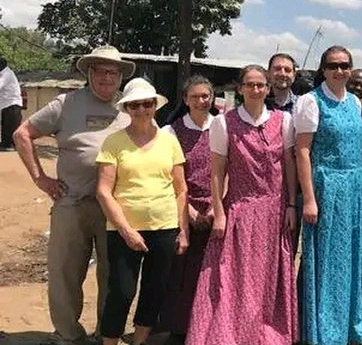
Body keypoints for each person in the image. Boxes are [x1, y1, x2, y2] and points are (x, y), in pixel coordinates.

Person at [13, 45, 135, 345]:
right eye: (101, 71)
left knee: (113, 276)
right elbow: (22, 134)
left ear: (120, 76)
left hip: (116, 209)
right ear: (89, 72)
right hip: (72, 203)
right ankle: (68, 335)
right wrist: (41, 179)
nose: (108, 77)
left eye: (113, 71)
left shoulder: (129, 108)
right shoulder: (65, 103)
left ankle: (106, 335)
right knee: (65, 274)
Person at [186, 65, 298, 345]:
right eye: (250, 84)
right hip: (240, 208)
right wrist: (220, 212)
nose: (256, 89)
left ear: (268, 88)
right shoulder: (224, 123)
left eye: (261, 84)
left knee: (268, 277)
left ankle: (265, 332)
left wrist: (292, 205)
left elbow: (289, 166)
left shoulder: (283, 121)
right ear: (241, 88)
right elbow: (217, 171)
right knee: (234, 276)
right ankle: (234, 333)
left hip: (275, 209)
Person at [294, 45, 362, 345]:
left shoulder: (356, 102)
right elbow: (302, 152)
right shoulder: (310, 102)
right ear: (323, 68)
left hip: (356, 188)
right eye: (333, 65)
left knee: (358, 256)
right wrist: (309, 198)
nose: (340, 71)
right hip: (327, 187)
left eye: (345, 65)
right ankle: (325, 330)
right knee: (328, 261)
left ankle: (350, 327)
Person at [95, 78, 189, 345]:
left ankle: (139, 341)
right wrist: (126, 230)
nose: (141, 110)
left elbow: (180, 189)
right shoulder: (113, 142)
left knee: (154, 290)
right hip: (124, 230)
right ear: (127, 109)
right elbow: (103, 190)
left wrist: (183, 231)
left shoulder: (169, 142)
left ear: (154, 106)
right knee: (121, 292)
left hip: (164, 227)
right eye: (135, 105)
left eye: (147, 104)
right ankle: (110, 342)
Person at [159, 76, 217, 345]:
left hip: (216, 208)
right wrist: (190, 212)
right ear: (185, 100)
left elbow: (227, 171)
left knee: (212, 271)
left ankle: (210, 324)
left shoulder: (221, 126)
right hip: (183, 207)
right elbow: (169, 176)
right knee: (181, 272)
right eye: (195, 96)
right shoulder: (171, 132)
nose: (201, 101)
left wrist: (217, 207)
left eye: (206, 96)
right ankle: (179, 327)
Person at [0, 57, 23, 150]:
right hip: (6, 104)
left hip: (12, 103)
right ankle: (5, 144)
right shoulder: (3, 74)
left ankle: (12, 145)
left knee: (11, 125)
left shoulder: (7, 74)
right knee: (5, 125)